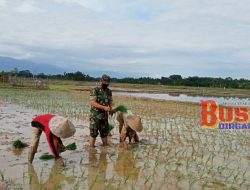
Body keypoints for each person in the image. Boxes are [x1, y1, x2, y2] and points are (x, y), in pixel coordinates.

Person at [89, 74, 114, 147]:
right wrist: (104, 107)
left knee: (104, 133)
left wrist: (112, 109)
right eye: (105, 82)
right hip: (95, 116)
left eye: (107, 83)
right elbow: (93, 102)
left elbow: (111, 102)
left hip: (104, 117)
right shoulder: (95, 90)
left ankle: (104, 148)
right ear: (101, 81)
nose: (106, 84)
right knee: (93, 133)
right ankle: (91, 149)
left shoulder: (109, 91)